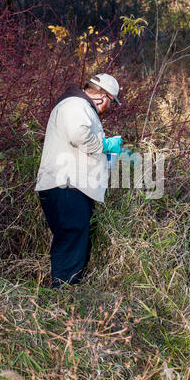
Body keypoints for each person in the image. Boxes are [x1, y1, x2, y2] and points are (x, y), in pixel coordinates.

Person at [35, 73, 123, 288]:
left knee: (70, 239)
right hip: (68, 185)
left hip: (67, 185)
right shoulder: (77, 105)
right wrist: (106, 145)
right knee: (72, 239)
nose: (109, 107)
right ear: (103, 96)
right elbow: (79, 136)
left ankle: (64, 294)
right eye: (111, 102)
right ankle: (64, 297)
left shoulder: (78, 106)